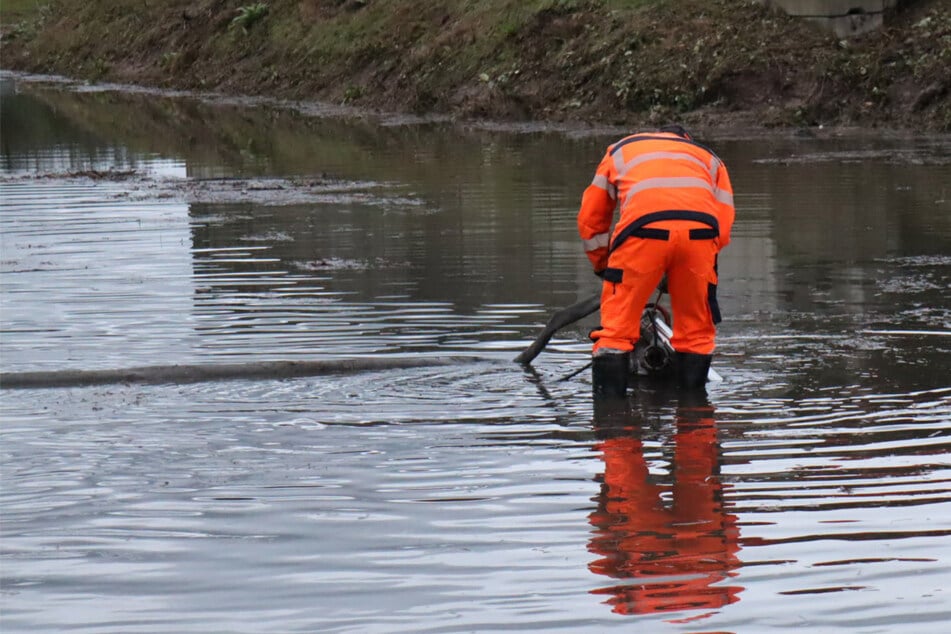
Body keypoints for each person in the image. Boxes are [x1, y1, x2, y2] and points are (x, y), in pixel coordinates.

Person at [577, 124, 734, 396]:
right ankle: (695, 418)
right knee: (696, 334)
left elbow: (591, 219)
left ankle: (612, 425)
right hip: (699, 237)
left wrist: (603, 265)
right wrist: (684, 266)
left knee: (615, 332)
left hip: (640, 235)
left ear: (657, 134)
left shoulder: (620, 151)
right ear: (686, 139)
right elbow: (723, 226)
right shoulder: (709, 158)